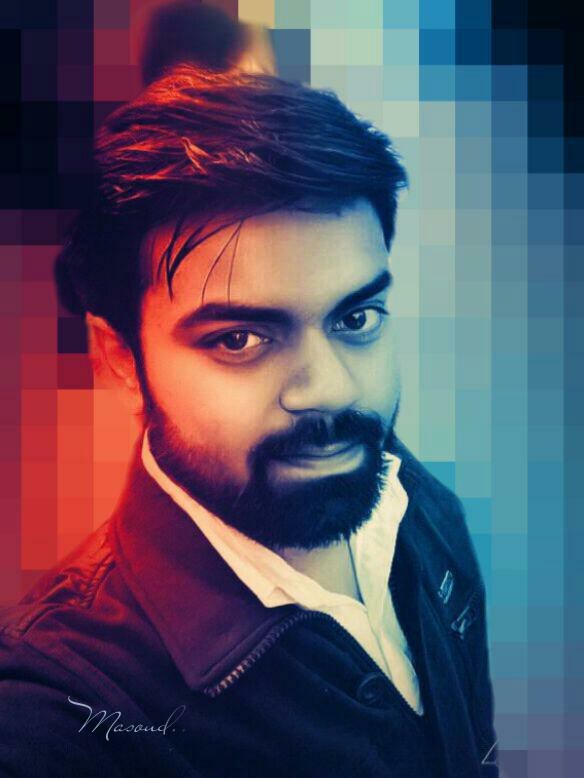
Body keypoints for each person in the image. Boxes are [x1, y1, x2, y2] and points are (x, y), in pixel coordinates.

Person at [0, 62, 498, 777]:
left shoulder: (413, 499)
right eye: (239, 339)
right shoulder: (58, 709)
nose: (330, 389)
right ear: (119, 359)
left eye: (356, 318)